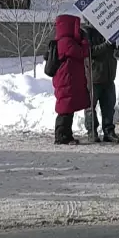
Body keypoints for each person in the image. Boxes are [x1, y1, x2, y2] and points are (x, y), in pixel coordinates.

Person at [52, 13, 90, 145]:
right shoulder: (66, 42)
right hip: (66, 80)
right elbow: (81, 53)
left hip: (67, 80)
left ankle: (66, 135)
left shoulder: (62, 41)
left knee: (68, 109)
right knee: (65, 110)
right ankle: (61, 135)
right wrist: (84, 41)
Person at [83, 22, 119, 143]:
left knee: (109, 106)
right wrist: (106, 44)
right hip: (95, 76)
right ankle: (92, 131)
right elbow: (89, 51)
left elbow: (113, 49)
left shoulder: (110, 29)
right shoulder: (87, 32)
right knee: (90, 106)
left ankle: (109, 131)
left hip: (109, 76)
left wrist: (117, 50)